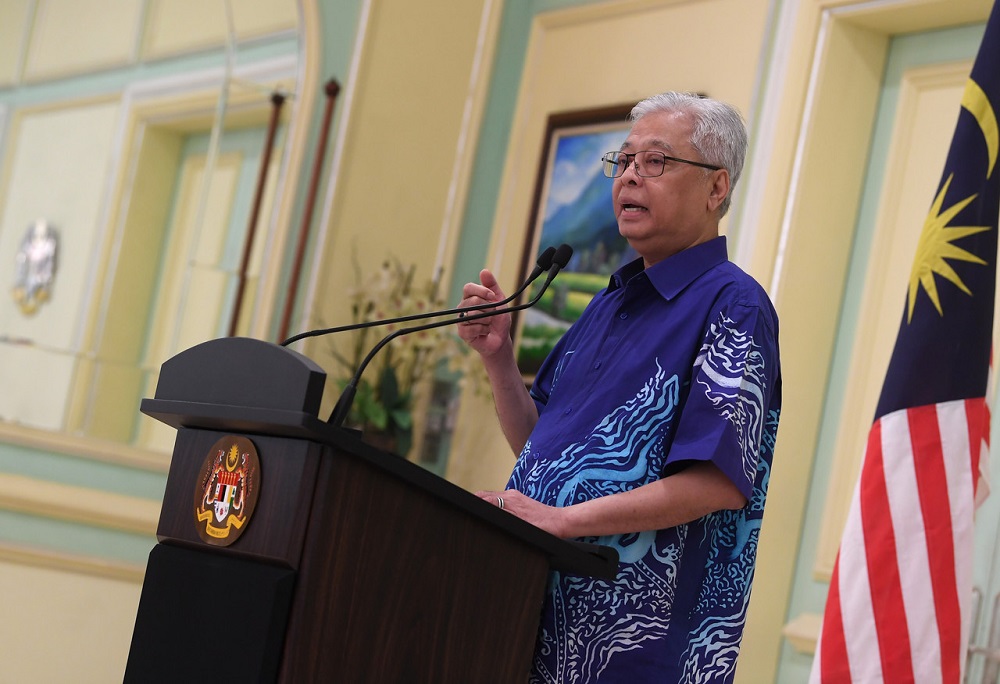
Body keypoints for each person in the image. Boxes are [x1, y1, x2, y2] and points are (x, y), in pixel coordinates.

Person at [457, 91, 782, 682]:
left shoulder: (733, 305)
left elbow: (718, 481)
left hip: (634, 645)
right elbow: (539, 447)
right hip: (533, 617)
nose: (630, 175)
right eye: (624, 161)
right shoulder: (610, 301)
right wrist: (500, 360)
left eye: (655, 162)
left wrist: (562, 520)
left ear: (717, 189)